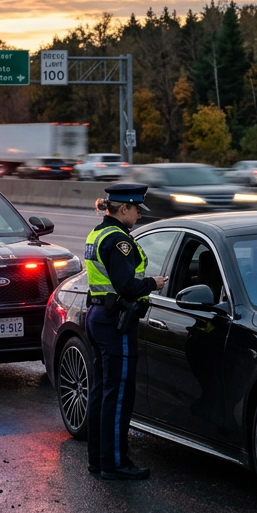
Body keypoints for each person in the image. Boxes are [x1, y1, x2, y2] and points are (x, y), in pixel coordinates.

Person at [84, 183, 168, 480]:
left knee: (101, 392)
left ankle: (98, 459)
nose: (139, 215)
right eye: (137, 210)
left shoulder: (97, 233)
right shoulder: (119, 240)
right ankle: (116, 463)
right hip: (115, 322)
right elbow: (126, 285)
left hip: (98, 315)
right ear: (124, 208)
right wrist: (153, 284)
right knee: (118, 395)